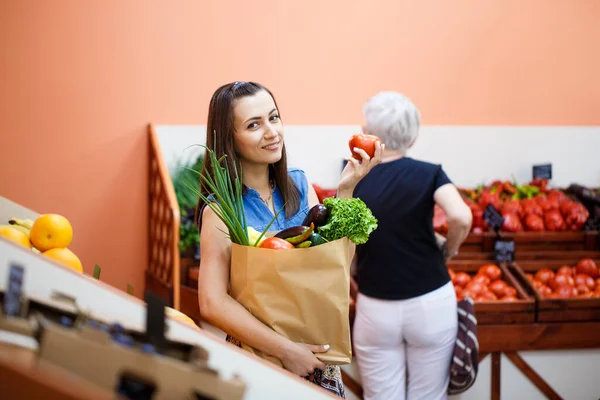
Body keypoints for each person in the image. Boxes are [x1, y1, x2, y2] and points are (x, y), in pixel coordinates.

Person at [194, 81, 382, 397]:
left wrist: (346, 189)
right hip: (259, 362)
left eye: (274, 117)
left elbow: (333, 268)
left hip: (317, 361)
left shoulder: (298, 186)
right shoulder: (220, 210)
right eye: (254, 125)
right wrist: (286, 350)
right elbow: (212, 302)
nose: (271, 132)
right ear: (230, 138)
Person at [351, 91, 473, 400]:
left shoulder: (355, 179)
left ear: (371, 136)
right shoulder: (430, 173)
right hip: (430, 302)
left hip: (375, 306)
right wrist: (450, 249)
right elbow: (460, 215)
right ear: (413, 137)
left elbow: (346, 242)